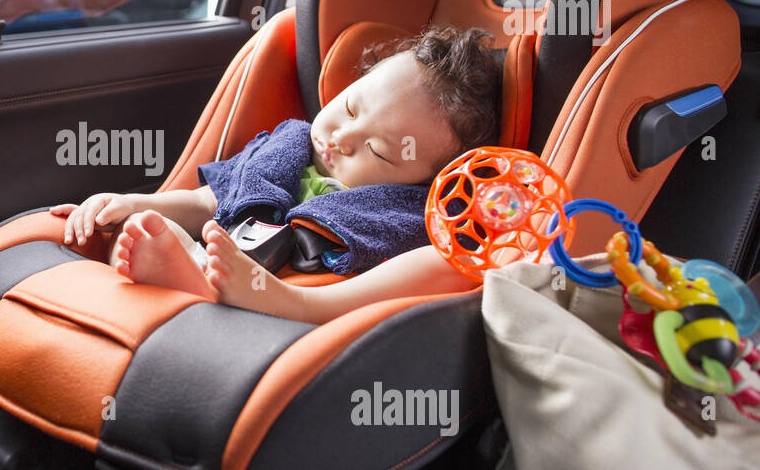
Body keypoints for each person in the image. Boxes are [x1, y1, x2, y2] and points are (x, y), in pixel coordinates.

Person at [50, 25, 503, 323]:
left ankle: (275, 301)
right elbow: (209, 201)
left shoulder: (399, 210)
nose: (342, 138)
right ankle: (190, 272)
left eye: (380, 151)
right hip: (221, 257)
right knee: (144, 226)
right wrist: (134, 203)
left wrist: (288, 298)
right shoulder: (286, 149)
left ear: (423, 180)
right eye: (348, 107)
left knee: (445, 261)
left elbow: (444, 267)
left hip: (304, 299)